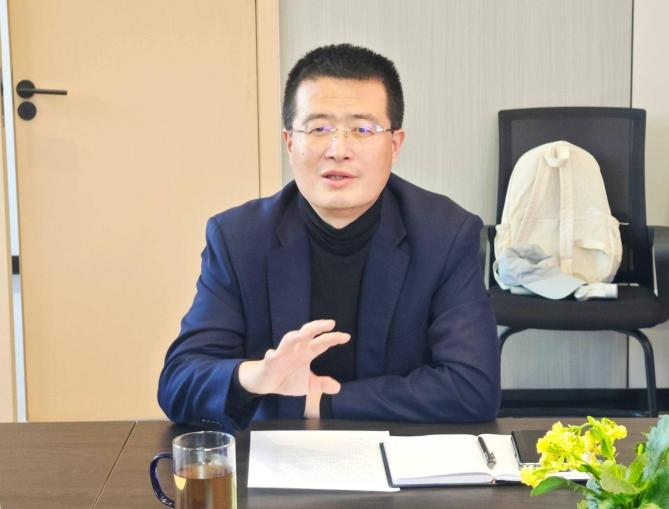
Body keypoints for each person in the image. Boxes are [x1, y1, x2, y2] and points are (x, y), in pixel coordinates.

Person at [158, 43, 500, 432]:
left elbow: (473, 388)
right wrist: (255, 376)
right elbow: (179, 384)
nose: (339, 150)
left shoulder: (445, 235)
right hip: (274, 461)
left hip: (401, 459)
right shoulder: (239, 238)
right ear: (290, 142)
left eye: (363, 129)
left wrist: (320, 402)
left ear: (394, 145)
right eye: (319, 128)